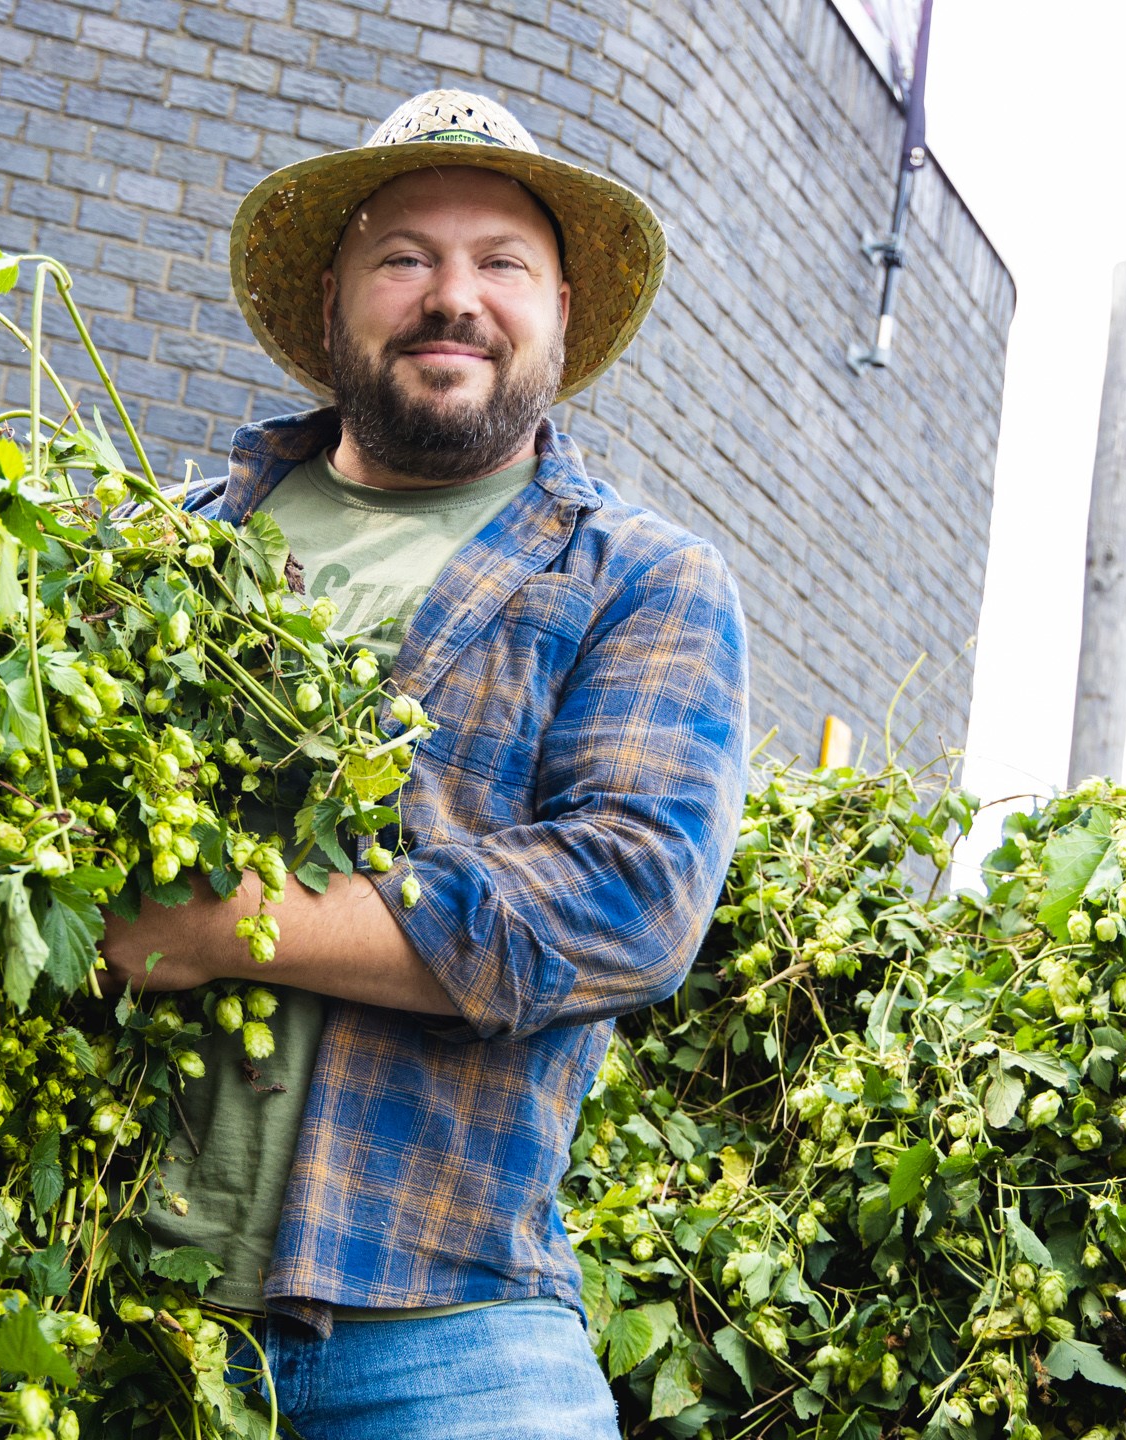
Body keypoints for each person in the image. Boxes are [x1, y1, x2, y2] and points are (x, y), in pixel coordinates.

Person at [98, 89, 749, 1438]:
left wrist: (225, 930)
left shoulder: (638, 577)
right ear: (335, 297)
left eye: (500, 263)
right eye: (406, 258)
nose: (452, 298)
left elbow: (628, 900)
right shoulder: (155, 552)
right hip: (110, 1305)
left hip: (438, 1323)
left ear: (559, 310)